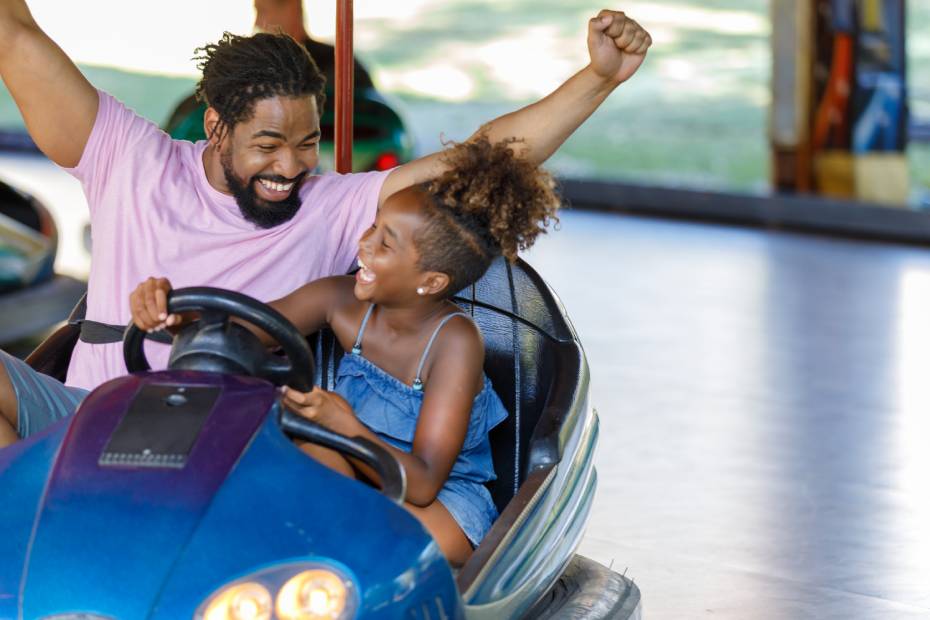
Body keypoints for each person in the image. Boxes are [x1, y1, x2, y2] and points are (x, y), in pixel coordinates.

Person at [0, 1, 651, 443]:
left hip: (228, 446)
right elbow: (15, 37)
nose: (290, 166)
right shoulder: (128, 160)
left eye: (308, 142)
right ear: (216, 127)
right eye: (268, 145)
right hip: (84, 424)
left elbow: (486, 155)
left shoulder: (333, 206)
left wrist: (597, 80)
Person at [128, 137, 560, 565]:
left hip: (437, 503)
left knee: (330, 525)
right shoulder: (340, 300)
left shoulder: (454, 342)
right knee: (272, 474)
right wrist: (178, 314)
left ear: (430, 281)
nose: (364, 245)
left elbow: (425, 481)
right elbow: (243, 329)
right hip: (355, 471)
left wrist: (344, 425)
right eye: (374, 227)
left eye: (386, 244)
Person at [164, 0, 376, 141]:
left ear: (293, 8)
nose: (257, 21)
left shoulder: (343, 70)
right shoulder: (245, 64)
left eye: (263, 11)